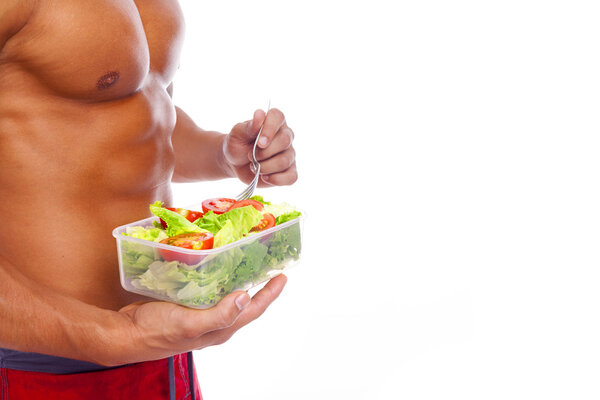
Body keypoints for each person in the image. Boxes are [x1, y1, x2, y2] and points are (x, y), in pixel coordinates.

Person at [0, 1, 297, 399]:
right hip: (39, 367)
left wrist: (224, 154)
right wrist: (115, 336)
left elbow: (143, 116)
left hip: (161, 347)